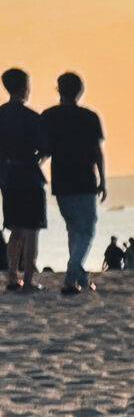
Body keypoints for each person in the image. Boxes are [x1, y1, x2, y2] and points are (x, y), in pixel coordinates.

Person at [40, 72, 107, 295]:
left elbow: (44, 149)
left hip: (61, 180)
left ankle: (74, 281)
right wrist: (103, 180)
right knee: (86, 229)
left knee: (73, 229)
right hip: (85, 180)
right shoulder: (89, 117)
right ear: (80, 91)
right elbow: (97, 152)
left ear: (59, 90)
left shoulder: (49, 116)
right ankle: (73, 271)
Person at [0, 69, 48, 292]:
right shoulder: (32, 117)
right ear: (24, 88)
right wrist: (38, 157)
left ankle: (11, 275)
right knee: (31, 230)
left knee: (15, 229)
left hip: (9, 177)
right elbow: (45, 147)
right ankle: (28, 278)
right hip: (29, 175)